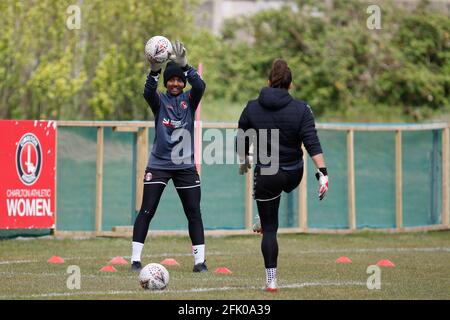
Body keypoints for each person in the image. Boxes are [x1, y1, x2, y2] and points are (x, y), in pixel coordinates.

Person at [236, 59, 329, 292]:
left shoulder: (252, 107)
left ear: (268, 82)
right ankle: (263, 216)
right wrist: (323, 173)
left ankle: (271, 280)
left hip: (267, 173)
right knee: (273, 196)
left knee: (270, 228)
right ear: (290, 85)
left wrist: (245, 158)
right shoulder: (302, 109)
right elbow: (312, 142)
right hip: (293, 172)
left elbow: (241, 140)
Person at [131, 40, 208, 273]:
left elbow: (200, 86)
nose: (175, 83)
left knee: (194, 212)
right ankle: (135, 260)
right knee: (146, 210)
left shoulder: (189, 100)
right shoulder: (159, 101)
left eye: (178, 80)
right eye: (171, 80)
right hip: (159, 164)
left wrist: (185, 66)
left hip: (185, 166)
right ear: (166, 83)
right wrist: (155, 69)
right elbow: (147, 92)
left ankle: (199, 263)